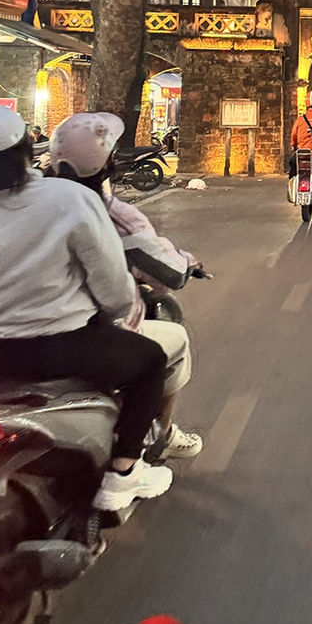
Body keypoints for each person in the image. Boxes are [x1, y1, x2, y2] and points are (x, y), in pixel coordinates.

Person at [0, 105, 172, 512]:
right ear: (29, 149)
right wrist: (119, 311)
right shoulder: (69, 199)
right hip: (62, 345)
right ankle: (123, 472)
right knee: (151, 361)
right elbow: (114, 288)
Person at [48, 112, 203, 461]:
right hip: (67, 336)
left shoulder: (20, 202)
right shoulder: (108, 215)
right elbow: (121, 294)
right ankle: (142, 451)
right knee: (163, 349)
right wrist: (186, 264)